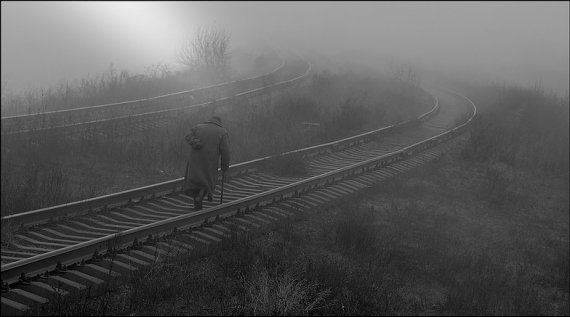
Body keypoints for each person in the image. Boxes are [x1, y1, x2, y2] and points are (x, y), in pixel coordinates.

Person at [183, 116, 230, 211]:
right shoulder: (222, 132)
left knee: (195, 180)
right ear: (219, 122)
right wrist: (224, 166)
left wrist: (195, 142)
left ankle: (197, 203)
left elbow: (187, 136)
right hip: (210, 161)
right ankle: (199, 198)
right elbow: (225, 151)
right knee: (207, 182)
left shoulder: (197, 127)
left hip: (195, 159)